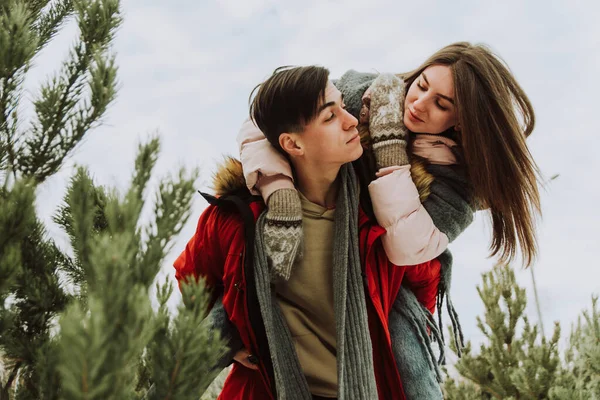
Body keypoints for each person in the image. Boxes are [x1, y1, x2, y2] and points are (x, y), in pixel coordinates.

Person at [235, 42, 542, 399]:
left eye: (441, 104)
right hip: (321, 237)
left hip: (390, 281)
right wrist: (280, 190)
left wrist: (390, 150)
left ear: (462, 122)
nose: (419, 103)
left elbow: (405, 247)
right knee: (246, 250)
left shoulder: (460, 182)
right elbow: (266, 119)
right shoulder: (364, 94)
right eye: (423, 85)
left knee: (404, 350)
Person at [174, 66, 442, 399]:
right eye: (330, 117)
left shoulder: (377, 213)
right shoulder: (238, 220)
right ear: (292, 144)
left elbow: (424, 283)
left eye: (343, 106)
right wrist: (238, 339)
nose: (350, 120)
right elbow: (192, 278)